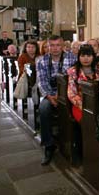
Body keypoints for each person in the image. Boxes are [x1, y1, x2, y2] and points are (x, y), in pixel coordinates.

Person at [37, 35, 77, 165]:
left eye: (57, 45)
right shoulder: (42, 60)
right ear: (48, 46)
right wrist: (49, 96)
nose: (55, 48)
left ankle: (73, 143)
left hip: (68, 94)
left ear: (63, 46)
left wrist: (62, 96)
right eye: (52, 45)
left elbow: (74, 79)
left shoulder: (72, 57)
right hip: (50, 94)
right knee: (43, 108)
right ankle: (49, 145)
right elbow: (42, 82)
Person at [67, 44, 99, 123]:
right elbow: (71, 94)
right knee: (89, 121)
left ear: (93, 57)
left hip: (98, 104)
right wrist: (83, 105)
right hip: (80, 105)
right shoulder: (73, 71)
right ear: (78, 57)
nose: (86, 58)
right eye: (82, 55)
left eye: (89, 55)